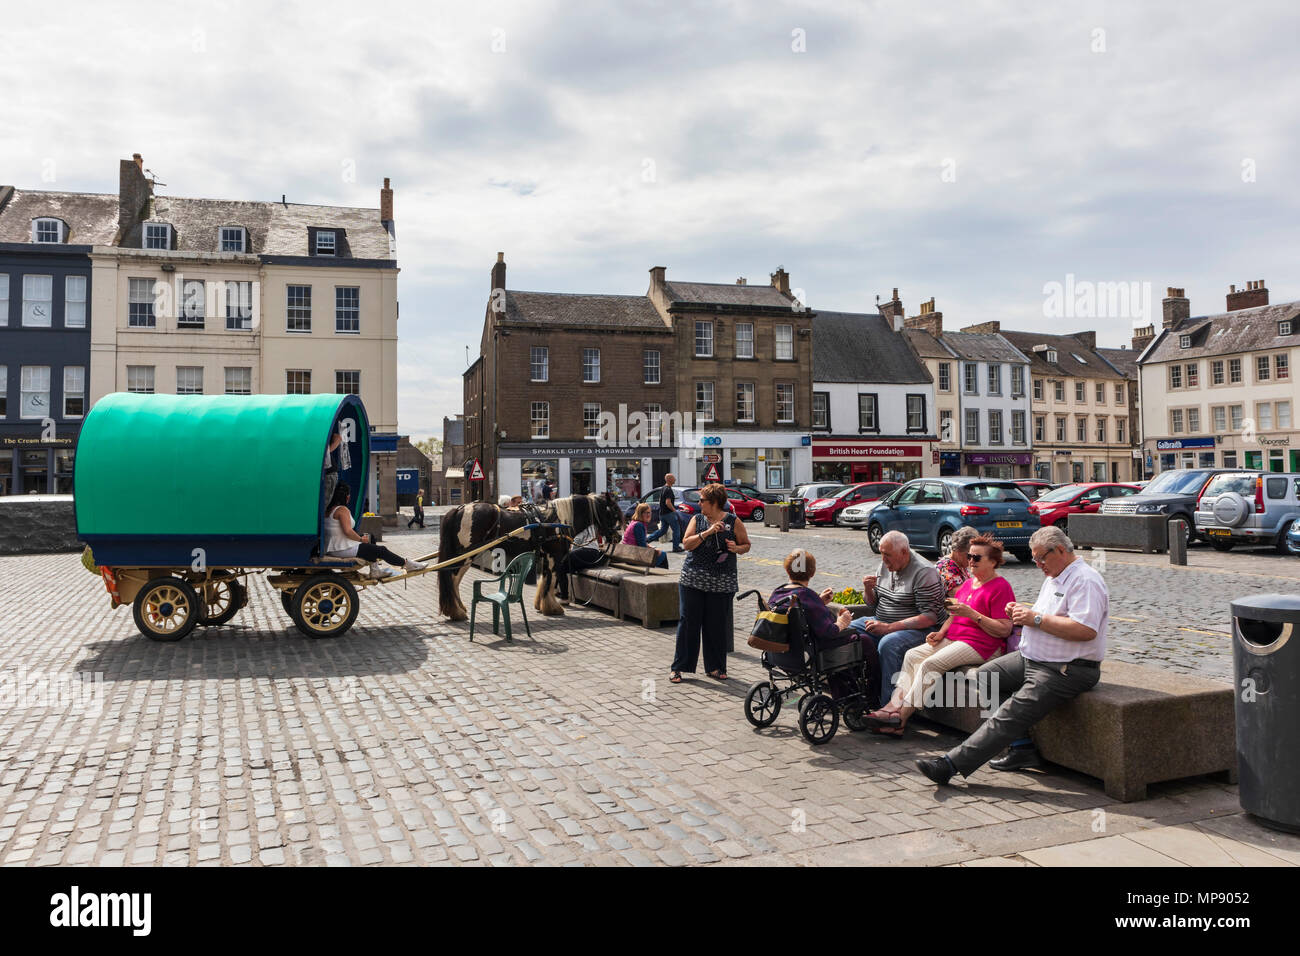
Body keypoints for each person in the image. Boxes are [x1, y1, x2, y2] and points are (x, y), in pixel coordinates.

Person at [916, 525, 1109, 786]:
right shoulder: (1055, 575)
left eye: (1041, 558)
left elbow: (1085, 630)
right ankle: (1021, 748)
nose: (1038, 564)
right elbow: (1047, 617)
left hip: (1066, 668)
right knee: (986, 676)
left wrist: (1035, 618)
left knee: (1010, 712)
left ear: (1061, 550)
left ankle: (950, 765)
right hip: (1033, 658)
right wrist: (1022, 613)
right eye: (1035, 558)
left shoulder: (1085, 580)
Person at [865, 534, 1014, 737]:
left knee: (930, 664)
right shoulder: (970, 584)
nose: (970, 561)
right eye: (969, 556)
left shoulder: (1001, 587)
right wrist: (940, 632)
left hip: (983, 644)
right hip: (956, 637)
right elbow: (954, 615)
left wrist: (973, 614)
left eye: (977, 558)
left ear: (994, 561)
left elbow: (1004, 629)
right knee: (912, 656)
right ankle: (892, 706)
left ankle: (900, 718)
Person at [849, 530, 946, 708]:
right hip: (882, 619)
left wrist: (889, 627)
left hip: (920, 630)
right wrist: (868, 589)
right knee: (847, 630)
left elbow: (930, 617)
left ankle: (889, 708)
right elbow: (872, 604)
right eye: (882, 554)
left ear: (904, 552)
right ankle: (854, 694)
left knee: (889, 644)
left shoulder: (924, 572)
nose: (883, 560)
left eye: (888, 555)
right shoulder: (885, 565)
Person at [769, 550, 880, 703]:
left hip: (783, 651)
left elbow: (799, 613)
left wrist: (819, 602)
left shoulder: (777, 593)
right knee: (864, 640)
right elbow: (829, 631)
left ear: (787, 570)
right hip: (812, 651)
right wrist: (843, 621)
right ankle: (873, 693)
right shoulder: (807, 596)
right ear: (812, 573)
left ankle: (844, 693)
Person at [670, 483, 750, 684]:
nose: (699, 503)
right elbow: (686, 543)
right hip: (693, 579)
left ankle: (715, 667)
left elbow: (746, 545)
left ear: (714, 503)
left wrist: (736, 548)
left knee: (716, 626)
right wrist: (707, 533)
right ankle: (679, 667)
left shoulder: (733, 521)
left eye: (702, 500)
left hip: (722, 582)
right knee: (688, 623)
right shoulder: (697, 519)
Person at [324, 483, 426, 578]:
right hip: (342, 549)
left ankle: (375, 570)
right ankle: (407, 564)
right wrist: (360, 539)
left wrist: (363, 538)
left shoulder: (329, 510)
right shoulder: (342, 510)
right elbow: (347, 531)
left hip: (336, 547)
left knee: (370, 537)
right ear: (347, 497)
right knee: (382, 550)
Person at [622, 503, 669, 567]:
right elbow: (642, 546)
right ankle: (660, 574)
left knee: (659, 553)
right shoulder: (639, 525)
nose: (648, 515)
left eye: (649, 512)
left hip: (629, 554)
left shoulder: (634, 522)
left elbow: (639, 542)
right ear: (640, 514)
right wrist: (654, 550)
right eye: (646, 513)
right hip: (633, 557)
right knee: (662, 555)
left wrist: (650, 547)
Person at [936, 525, 978, 596]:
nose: (972, 560)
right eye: (969, 556)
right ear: (958, 551)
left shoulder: (959, 563)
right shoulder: (945, 567)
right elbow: (958, 594)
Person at [647, 474, 684, 553]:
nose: (675, 479)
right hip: (669, 514)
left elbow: (661, 500)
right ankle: (676, 547)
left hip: (662, 513)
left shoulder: (663, 488)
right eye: (674, 478)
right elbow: (668, 502)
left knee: (662, 531)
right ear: (669, 479)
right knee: (676, 530)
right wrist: (674, 510)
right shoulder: (668, 490)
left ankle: (647, 540)